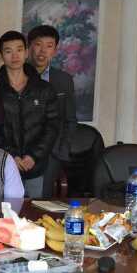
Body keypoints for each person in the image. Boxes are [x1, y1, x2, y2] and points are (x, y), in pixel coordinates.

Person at [0, 31, 59, 198]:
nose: (14, 56)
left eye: (19, 50)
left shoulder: (44, 89)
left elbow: (52, 126)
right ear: (1, 55)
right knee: (6, 210)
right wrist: (12, 156)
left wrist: (33, 156)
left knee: (35, 209)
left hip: (37, 165)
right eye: (8, 51)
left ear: (26, 52)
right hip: (5, 164)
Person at [28, 24, 77, 197]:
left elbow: (70, 120)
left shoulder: (64, 80)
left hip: (51, 154)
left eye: (49, 46)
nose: (42, 51)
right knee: (13, 201)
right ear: (29, 47)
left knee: (41, 201)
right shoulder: (15, 75)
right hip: (20, 153)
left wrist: (60, 153)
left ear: (55, 51)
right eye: (38, 44)